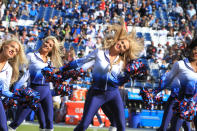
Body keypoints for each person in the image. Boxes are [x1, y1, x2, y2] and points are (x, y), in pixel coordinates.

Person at [58, 17, 144, 131]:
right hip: (96, 93)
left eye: (124, 47)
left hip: (113, 94)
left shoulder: (123, 62)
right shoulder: (99, 53)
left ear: (124, 51)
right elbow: (80, 62)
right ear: (118, 40)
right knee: (84, 124)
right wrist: (61, 70)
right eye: (122, 42)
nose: (121, 45)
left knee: (121, 126)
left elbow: (130, 74)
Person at [9, 36, 63, 131]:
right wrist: (18, 87)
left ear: (51, 49)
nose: (47, 45)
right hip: (34, 91)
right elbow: (23, 72)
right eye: (46, 42)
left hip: (46, 92)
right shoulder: (31, 56)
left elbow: (50, 78)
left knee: (49, 122)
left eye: (50, 45)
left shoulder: (50, 61)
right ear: (43, 42)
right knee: (18, 121)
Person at [156, 37, 197, 131]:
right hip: (176, 100)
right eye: (194, 49)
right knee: (165, 127)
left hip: (192, 103)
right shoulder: (180, 66)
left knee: (187, 128)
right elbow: (167, 81)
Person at [169, 37, 197, 131]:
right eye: (194, 49)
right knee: (177, 126)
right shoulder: (182, 64)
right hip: (184, 101)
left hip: (193, 103)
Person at [0, 38, 27, 131]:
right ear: (4, 46)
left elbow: (4, 90)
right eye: (12, 46)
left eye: (16, 51)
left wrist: (18, 96)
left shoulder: (9, 69)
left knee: (3, 127)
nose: (13, 50)